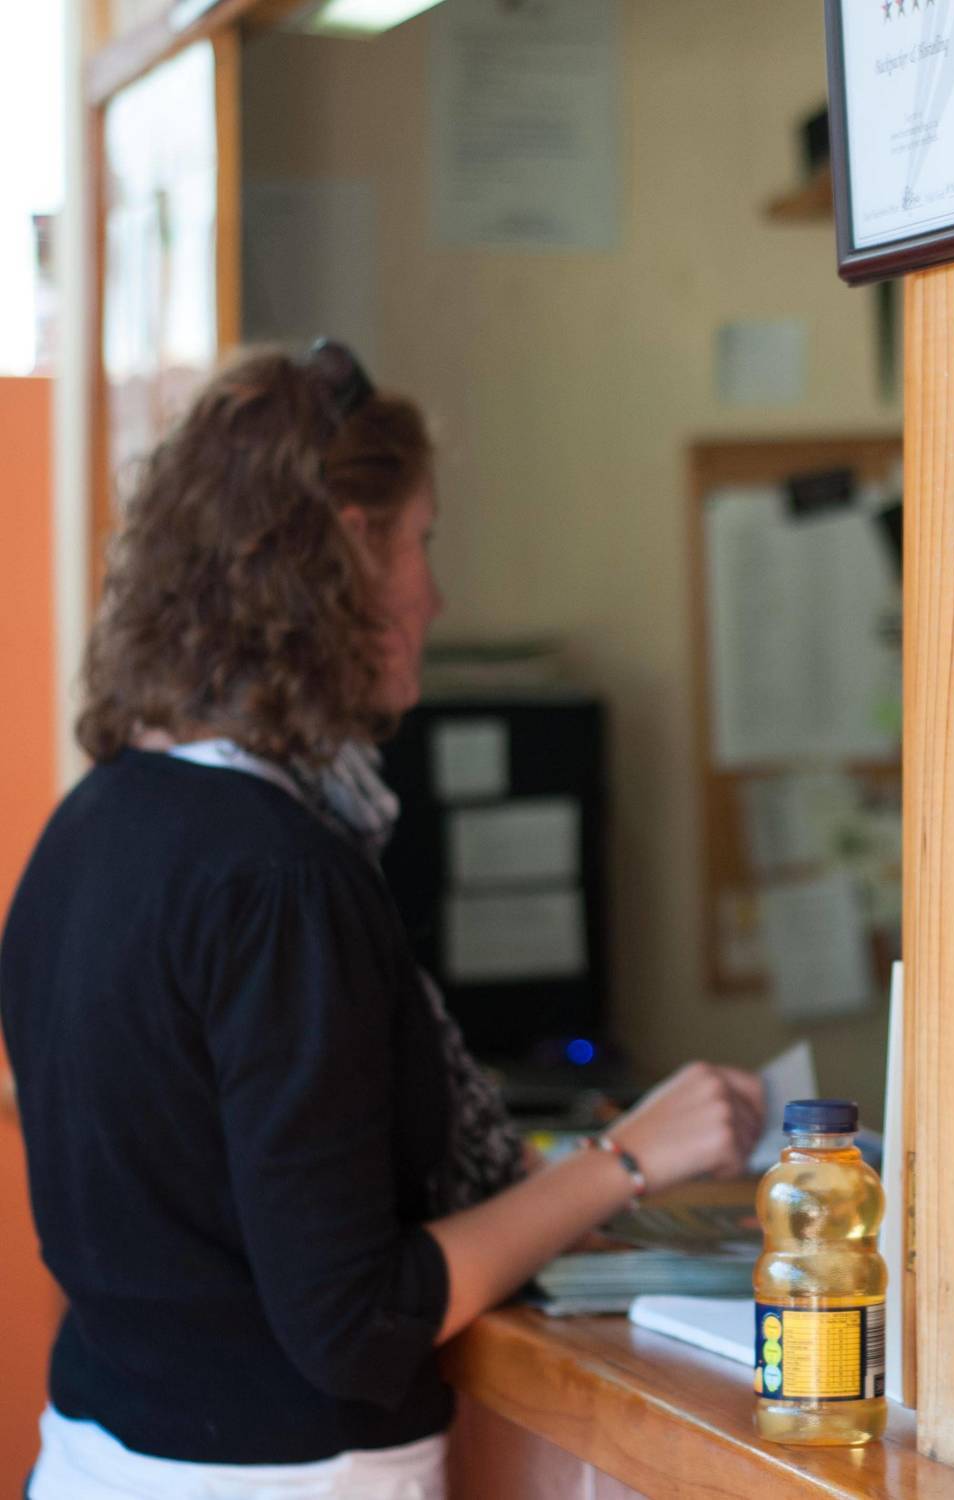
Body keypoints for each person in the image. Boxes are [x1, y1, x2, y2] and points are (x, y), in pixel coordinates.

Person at [0, 342, 765, 1498]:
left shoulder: (93, 821)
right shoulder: (278, 878)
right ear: (348, 551)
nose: (435, 595)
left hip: (95, 1457)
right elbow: (355, 1316)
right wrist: (627, 1157)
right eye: (422, 542)